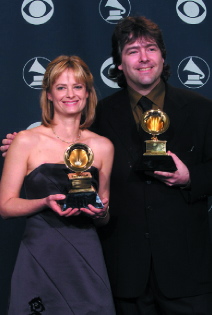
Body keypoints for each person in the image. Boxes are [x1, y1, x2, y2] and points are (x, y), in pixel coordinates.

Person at [2, 16, 212, 315]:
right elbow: (63, 141)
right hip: (123, 271)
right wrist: (21, 145)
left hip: (186, 269)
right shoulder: (97, 114)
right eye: (131, 51)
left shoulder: (203, 110)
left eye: (150, 49)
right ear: (119, 63)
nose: (143, 58)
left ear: (162, 56)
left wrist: (191, 176)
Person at [0, 55, 115, 314]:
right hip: (41, 251)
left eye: (77, 86)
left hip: (86, 255)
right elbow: (5, 206)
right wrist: (44, 202)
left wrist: (101, 212)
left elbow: (104, 213)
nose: (70, 94)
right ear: (49, 94)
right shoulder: (26, 141)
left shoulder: (103, 146)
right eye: (61, 87)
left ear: (87, 93)